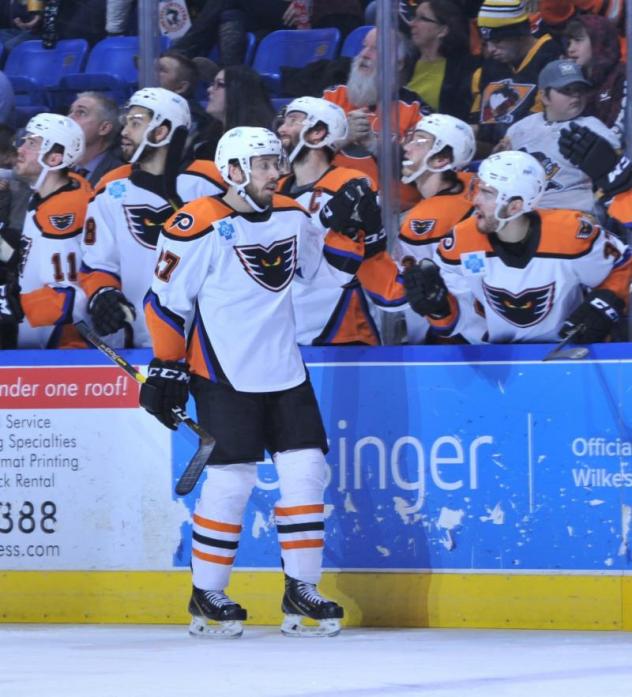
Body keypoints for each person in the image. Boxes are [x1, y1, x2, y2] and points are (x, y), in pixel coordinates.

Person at [140, 126, 363, 638]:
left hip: (284, 367)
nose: (275, 172)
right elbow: (164, 302)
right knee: (233, 478)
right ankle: (208, 592)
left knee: (307, 471)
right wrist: (168, 365)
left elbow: (324, 275)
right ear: (233, 171)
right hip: (222, 371)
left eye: (276, 162)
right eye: (263, 164)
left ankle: (301, 588)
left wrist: (353, 235)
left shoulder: (291, 214)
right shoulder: (193, 225)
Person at [402, 150, 632, 345]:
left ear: (515, 206)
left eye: (488, 193)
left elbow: (623, 264)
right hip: (500, 359)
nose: (475, 201)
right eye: (478, 189)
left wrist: (605, 303)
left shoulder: (570, 233)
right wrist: (439, 308)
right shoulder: (460, 242)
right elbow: (460, 319)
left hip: (568, 353)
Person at [79, 87, 226, 349]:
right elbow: (97, 263)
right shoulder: (110, 187)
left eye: (135, 124)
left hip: (212, 340)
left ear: (161, 132)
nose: (123, 132)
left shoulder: (213, 180)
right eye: (126, 123)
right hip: (139, 337)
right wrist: (103, 293)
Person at [277, 96, 405, 345]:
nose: (282, 128)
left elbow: (371, 255)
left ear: (318, 133)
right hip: (286, 327)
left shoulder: (352, 184)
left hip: (342, 325)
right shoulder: (275, 189)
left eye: (293, 120)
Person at [0, 113, 92, 349]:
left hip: (65, 348)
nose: (20, 149)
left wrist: (16, 305)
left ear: (54, 158)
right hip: (38, 338)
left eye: (32, 143)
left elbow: (71, 296)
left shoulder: (63, 212)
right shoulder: (45, 196)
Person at [323, 25, 430, 210]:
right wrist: (342, 138)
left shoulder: (416, 111)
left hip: (391, 216)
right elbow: (295, 155)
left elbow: (426, 172)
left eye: (376, 49)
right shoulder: (332, 98)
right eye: (364, 46)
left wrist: (376, 145)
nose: (364, 54)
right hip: (325, 207)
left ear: (398, 63)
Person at [497, 59, 620, 213]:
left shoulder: (592, 127)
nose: (575, 96)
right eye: (566, 90)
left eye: (580, 89)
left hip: (571, 214)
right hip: (522, 213)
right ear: (545, 97)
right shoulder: (520, 128)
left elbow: (618, 172)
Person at [395, 112, 476, 343]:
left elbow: (407, 290)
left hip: (452, 331)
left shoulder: (422, 221)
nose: (407, 148)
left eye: (419, 141)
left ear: (440, 160)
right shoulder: (474, 183)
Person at [471, 0, 560, 153]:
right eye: (487, 43)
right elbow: (477, 125)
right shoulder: (487, 69)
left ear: (520, 33)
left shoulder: (551, 59)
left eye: (497, 41)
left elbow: (540, 124)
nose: (491, 50)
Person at [406, 0, 477, 122]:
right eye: (414, 17)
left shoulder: (463, 69)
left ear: (443, 30)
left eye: (422, 18)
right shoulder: (404, 61)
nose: (412, 23)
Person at [564, 14, 626, 142]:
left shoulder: (623, 76)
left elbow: (620, 133)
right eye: (569, 42)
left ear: (599, 41)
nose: (570, 49)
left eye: (578, 40)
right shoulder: (575, 79)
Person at [194, 64, 276, 160]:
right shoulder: (206, 134)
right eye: (212, 84)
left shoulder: (257, 143)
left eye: (219, 84)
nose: (209, 89)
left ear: (239, 92)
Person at [68, 91, 123, 187]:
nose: (69, 118)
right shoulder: (57, 167)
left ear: (104, 128)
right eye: (70, 112)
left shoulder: (119, 175)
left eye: (81, 112)